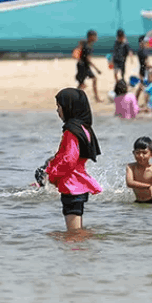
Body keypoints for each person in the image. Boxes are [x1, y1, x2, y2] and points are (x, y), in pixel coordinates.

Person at [43, 88, 102, 232]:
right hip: (79, 183)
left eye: (59, 106)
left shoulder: (71, 131)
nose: (58, 111)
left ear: (70, 107)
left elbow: (69, 159)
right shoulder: (84, 128)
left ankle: (78, 251)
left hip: (71, 185)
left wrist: (53, 175)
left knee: (73, 234)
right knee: (76, 229)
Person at [74, 30, 102, 102]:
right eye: (95, 36)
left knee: (85, 83)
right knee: (82, 85)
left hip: (83, 65)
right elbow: (88, 59)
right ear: (90, 37)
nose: (96, 38)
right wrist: (97, 69)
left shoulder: (86, 44)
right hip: (83, 66)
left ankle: (96, 98)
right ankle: (75, 98)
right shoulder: (88, 46)